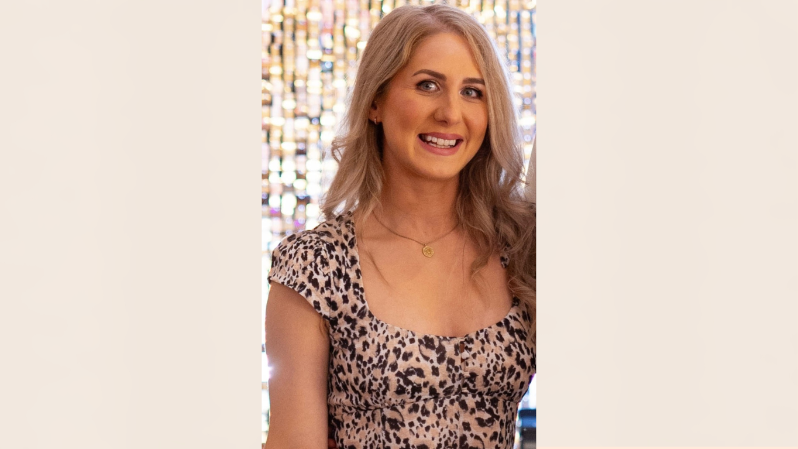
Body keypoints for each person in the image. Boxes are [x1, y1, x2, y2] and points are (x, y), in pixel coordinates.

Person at [265, 4, 536, 448]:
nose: (451, 113)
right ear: (375, 101)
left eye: (473, 92)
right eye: (428, 85)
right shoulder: (314, 266)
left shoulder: (523, 249)